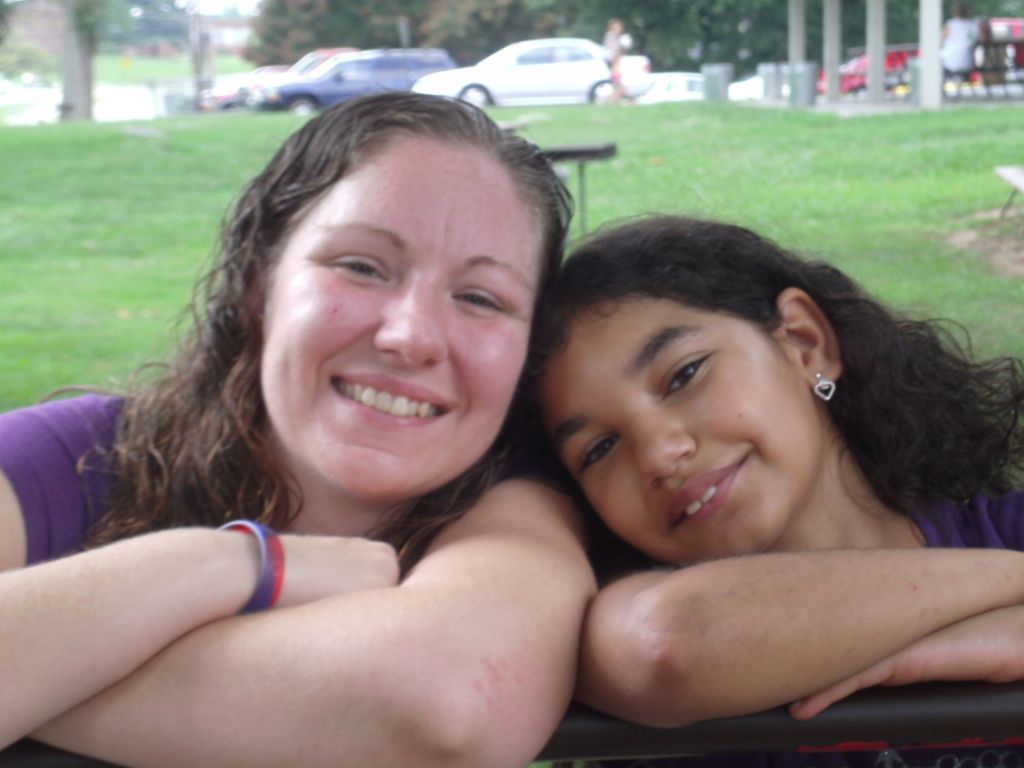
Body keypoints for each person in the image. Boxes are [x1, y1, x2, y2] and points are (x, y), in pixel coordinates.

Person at [0, 93, 596, 767]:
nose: (411, 337)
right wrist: (232, 565)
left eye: (480, 299)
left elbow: (442, 705)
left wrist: (38, 671)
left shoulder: (525, 501)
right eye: (361, 267)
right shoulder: (67, 461)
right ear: (259, 285)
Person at [529, 215, 1024, 767]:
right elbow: (670, 639)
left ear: (805, 344)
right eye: (598, 449)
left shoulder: (1011, 527)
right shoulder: (623, 653)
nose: (659, 455)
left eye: (684, 375)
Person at [941, 3, 978, 80]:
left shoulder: (950, 24)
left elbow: (940, 39)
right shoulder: (973, 25)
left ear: (955, 13)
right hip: (967, 63)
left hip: (950, 63)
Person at [603, 18, 628, 104]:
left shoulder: (615, 37)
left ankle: (613, 103)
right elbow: (612, 51)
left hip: (615, 65)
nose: (619, 29)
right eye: (617, 27)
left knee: (618, 87)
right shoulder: (611, 36)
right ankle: (610, 102)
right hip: (614, 65)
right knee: (620, 87)